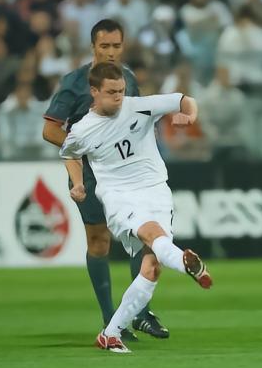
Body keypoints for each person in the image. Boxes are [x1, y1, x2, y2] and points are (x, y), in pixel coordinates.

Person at [60, 62, 213, 353]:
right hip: (119, 195)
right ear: (94, 92)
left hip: (156, 190)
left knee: (152, 268)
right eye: (111, 92)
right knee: (152, 234)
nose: (119, 97)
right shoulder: (83, 129)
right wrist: (78, 183)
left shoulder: (140, 107)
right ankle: (185, 262)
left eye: (121, 90)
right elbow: (69, 154)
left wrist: (190, 114)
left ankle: (110, 334)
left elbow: (183, 99)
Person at [42, 19, 168, 340]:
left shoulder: (128, 79)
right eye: (104, 46)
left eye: (116, 46)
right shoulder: (74, 82)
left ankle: (140, 313)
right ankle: (110, 317)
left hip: (127, 172)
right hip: (89, 174)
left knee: (143, 235)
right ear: (93, 47)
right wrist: (85, 145)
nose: (111, 52)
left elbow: (138, 119)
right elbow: (50, 129)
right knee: (99, 241)